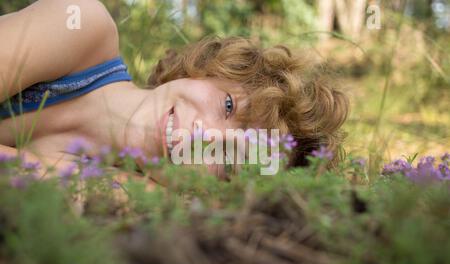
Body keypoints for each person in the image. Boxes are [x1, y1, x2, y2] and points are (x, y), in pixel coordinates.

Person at [0, 0, 349, 184]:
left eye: (229, 161)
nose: (204, 136)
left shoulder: (108, 200)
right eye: (227, 105)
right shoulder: (82, 29)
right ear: (208, 70)